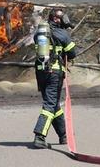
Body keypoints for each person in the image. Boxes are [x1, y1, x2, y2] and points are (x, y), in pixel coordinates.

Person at [31, 8, 77, 149]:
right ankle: (39, 136)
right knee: (50, 104)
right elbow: (72, 52)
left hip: (41, 72)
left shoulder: (40, 32)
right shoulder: (62, 33)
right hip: (54, 73)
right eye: (62, 17)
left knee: (54, 104)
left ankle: (63, 136)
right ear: (56, 19)